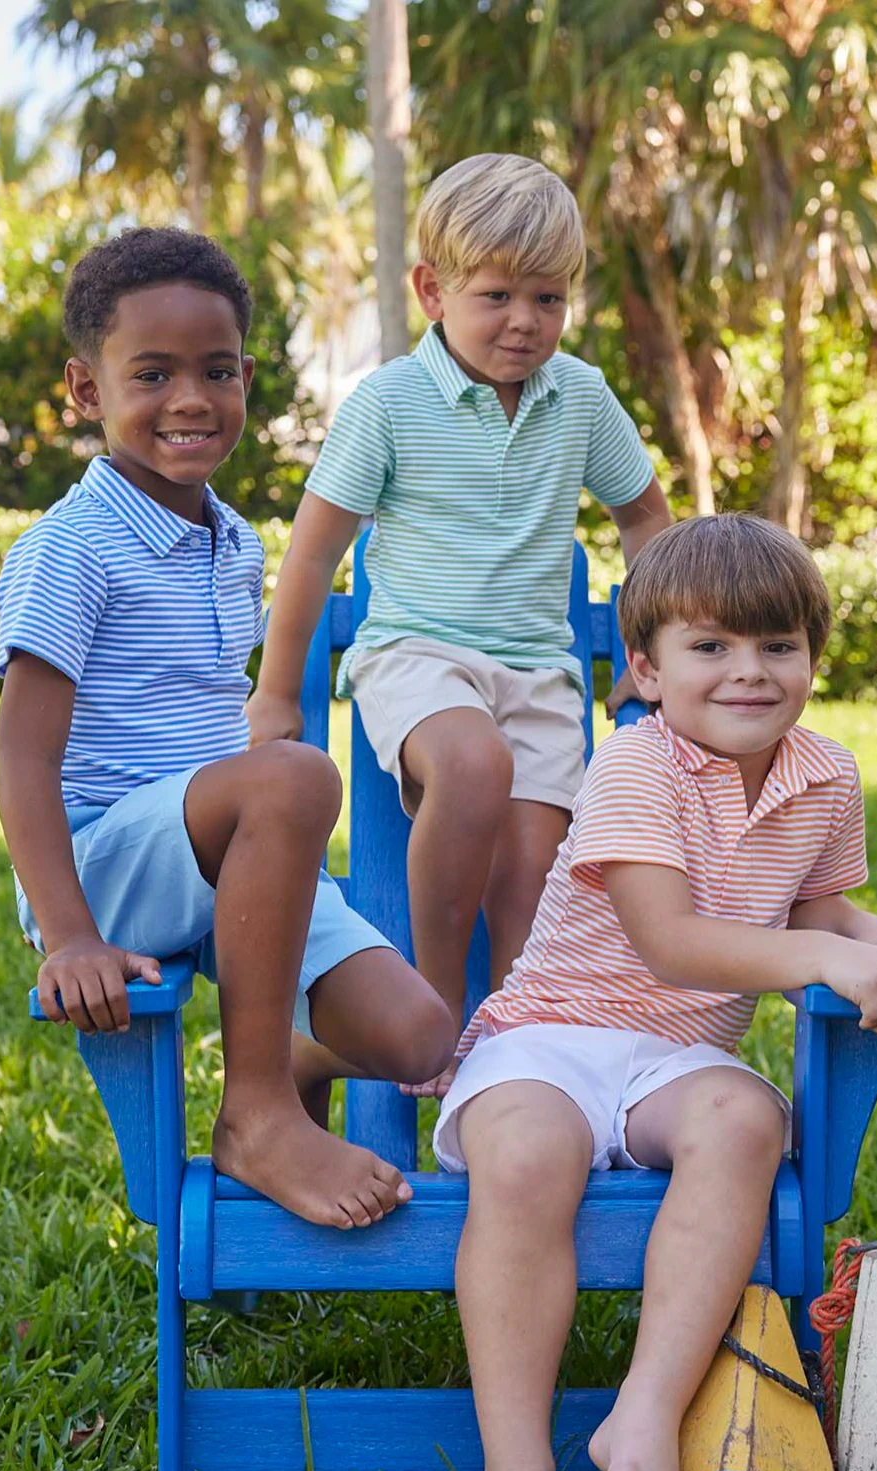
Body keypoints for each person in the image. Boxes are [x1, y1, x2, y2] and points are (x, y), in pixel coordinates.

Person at [430, 514, 877, 1471]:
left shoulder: (824, 776)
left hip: (677, 1059)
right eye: (711, 647)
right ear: (647, 671)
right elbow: (666, 935)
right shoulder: (634, 762)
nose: (749, 672)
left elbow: (819, 903)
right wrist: (818, 953)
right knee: (525, 1153)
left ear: (814, 656)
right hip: (546, 1040)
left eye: (778, 645)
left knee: (748, 1124)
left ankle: (645, 1407)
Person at [0, 227, 455, 1233]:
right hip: (109, 863)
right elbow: (23, 757)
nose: (191, 399)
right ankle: (256, 1112)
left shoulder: (234, 540)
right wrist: (68, 933)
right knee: (288, 775)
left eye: (216, 370)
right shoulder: (70, 549)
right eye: (151, 374)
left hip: (224, 859)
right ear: (85, 388)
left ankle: (278, 1044)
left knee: (420, 1037)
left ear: (248, 376)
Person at [248, 153, 672, 1085]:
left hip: (538, 671)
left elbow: (643, 517)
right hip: (416, 655)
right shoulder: (390, 403)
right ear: (432, 290)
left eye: (548, 298)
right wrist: (277, 691)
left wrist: (657, 654)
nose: (524, 322)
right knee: (473, 763)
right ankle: (432, 1010)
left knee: (532, 874)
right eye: (496, 295)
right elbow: (315, 551)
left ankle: (511, 1056)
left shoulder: (582, 397)